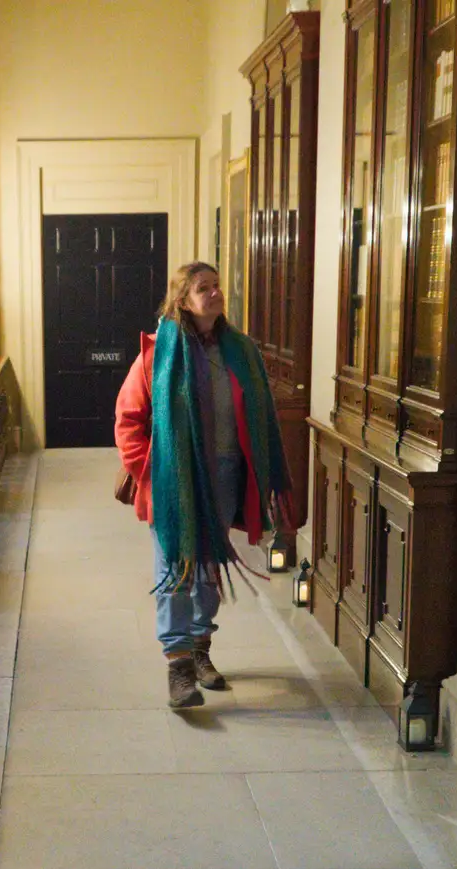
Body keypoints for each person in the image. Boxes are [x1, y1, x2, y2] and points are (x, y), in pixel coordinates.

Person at [115, 262, 296, 710]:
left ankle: (200, 648)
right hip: (173, 483)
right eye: (204, 288)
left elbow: (262, 414)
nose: (215, 294)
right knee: (176, 568)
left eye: (217, 286)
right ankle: (178, 666)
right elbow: (128, 421)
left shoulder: (241, 350)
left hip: (226, 474)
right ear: (182, 300)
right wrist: (153, 472)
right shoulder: (157, 354)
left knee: (209, 570)